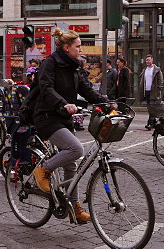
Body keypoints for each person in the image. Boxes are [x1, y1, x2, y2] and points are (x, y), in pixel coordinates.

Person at [32, 28, 108, 224]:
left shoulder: (74, 66)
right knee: (75, 148)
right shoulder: (50, 63)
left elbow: (86, 89)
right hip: (47, 116)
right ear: (67, 47)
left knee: (71, 165)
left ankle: (74, 208)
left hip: (63, 116)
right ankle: (44, 170)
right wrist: (63, 103)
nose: (81, 49)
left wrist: (105, 102)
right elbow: (46, 88)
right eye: (78, 46)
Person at [138, 54, 163, 129]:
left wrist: (158, 89)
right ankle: (154, 121)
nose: (147, 61)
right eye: (146, 60)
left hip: (154, 92)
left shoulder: (157, 70)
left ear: (152, 60)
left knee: (152, 107)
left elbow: (160, 81)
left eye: (149, 60)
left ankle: (150, 124)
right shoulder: (144, 70)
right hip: (146, 92)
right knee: (150, 108)